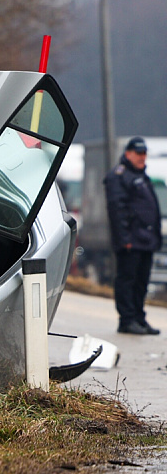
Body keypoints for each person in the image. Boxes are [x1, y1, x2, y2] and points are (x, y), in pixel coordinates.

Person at [104, 136, 162, 335]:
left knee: (141, 282)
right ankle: (127, 320)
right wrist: (124, 239)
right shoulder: (119, 176)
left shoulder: (141, 176)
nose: (141, 157)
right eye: (138, 153)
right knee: (127, 281)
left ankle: (139, 318)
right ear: (127, 153)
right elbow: (117, 210)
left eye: (144, 153)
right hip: (131, 241)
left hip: (145, 241)